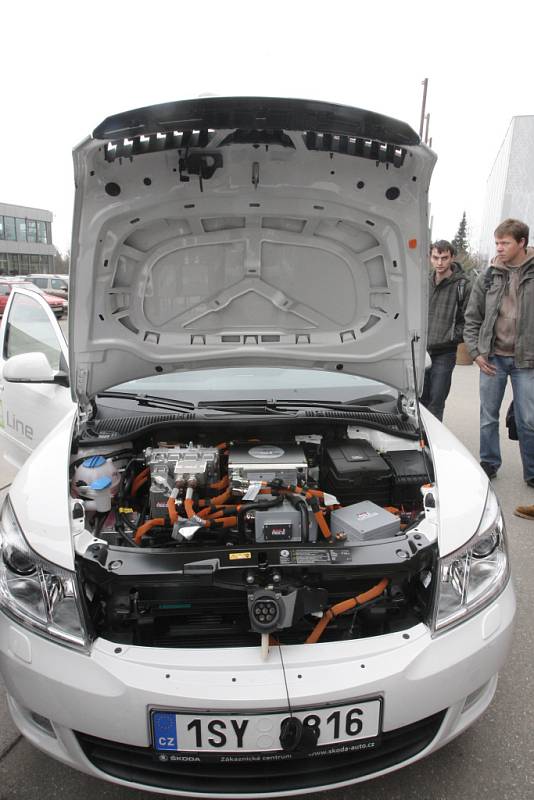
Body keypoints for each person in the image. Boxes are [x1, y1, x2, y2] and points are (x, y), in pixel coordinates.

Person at [463, 218, 534, 485]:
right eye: (497, 242)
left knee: (528, 420)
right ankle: (489, 463)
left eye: (505, 243)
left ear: (522, 243)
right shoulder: (489, 274)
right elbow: (472, 316)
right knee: (488, 416)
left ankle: (532, 472)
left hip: (526, 360)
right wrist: (476, 352)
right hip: (492, 358)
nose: (499, 248)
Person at [420, 240, 471, 421]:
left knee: (436, 401)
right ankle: (419, 442)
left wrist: (451, 337)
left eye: (444, 258)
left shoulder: (463, 285)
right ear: (430, 258)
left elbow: (469, 320)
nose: (439, 262)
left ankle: (433, 444)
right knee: (419, 401)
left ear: (452, 258)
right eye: (435, 257)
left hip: (445, 353)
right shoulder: (423, 282)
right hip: (421, 351)